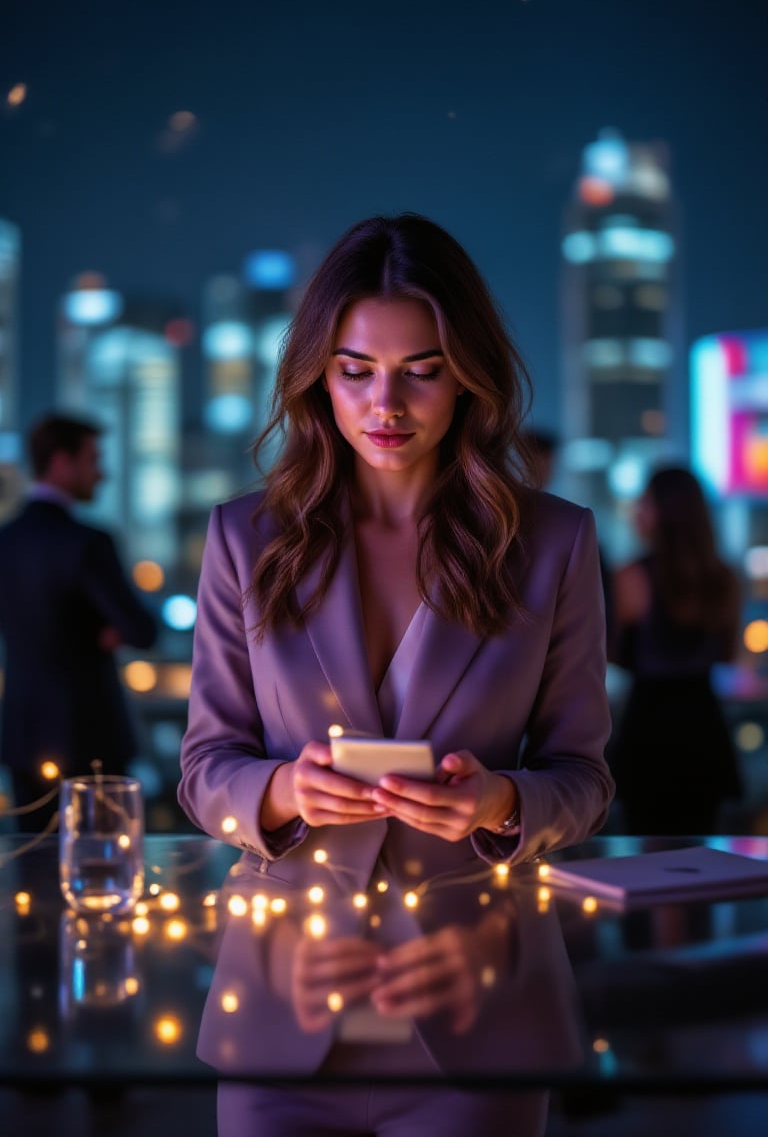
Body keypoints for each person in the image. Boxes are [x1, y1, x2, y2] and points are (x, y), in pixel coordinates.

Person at [178, 212, 614, 1136]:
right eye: (356, 371)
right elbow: (203, 769)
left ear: (467, 377)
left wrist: (499, 803)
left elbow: (586, 779)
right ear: (317, 376)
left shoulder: (553, 544)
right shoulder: (243, 540)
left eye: (421, 370)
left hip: (477, 1011)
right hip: (282, 1012)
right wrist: (282, 791)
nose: (388, 404)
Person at [0, 413, 158, 832]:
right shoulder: (87, 542)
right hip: (91, 736)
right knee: (103, 867)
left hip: (22, 733)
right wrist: (103, 632)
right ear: (61, 462)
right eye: (93, 459)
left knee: (32, 868)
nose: (101, 473)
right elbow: (142, 631)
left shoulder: (6, 540)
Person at [609, 465, 742, 835]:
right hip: (703, 724)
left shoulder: (633, 576)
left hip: (648, 725)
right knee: (704, 853)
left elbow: (615, 652)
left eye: (644, 502)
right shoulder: (723, 576)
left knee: (647, 850)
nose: (637, 511)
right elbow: (728, 655)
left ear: (664, 511)